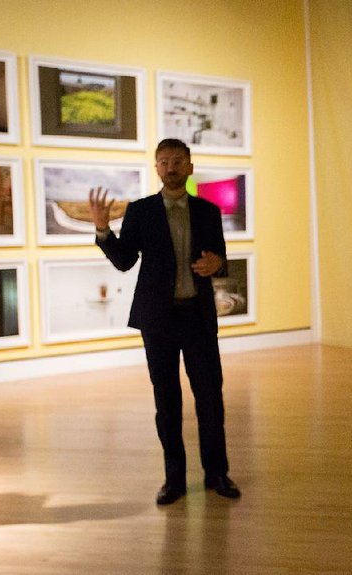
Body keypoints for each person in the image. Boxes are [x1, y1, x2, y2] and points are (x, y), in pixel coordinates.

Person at [88, 138, 240, 502]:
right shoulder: (141, 212)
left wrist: (217, 263)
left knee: (210, 400)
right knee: (167, 401)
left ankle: (217, 474)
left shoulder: (208, 211)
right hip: (159, 321)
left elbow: (221, 257)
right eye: (164, 162)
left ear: (189, 166)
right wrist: (103, 231)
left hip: (198, 319)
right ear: (156, 168)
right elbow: (124, 261)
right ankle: (174, 479)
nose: (171, 168)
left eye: (177, 161)